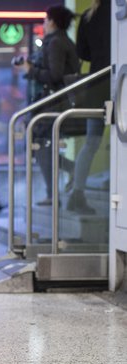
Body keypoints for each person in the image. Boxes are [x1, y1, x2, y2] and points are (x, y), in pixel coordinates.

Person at [19, 5, 78, 206]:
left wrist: (31, 70)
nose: (44, 23)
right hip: (52, 104)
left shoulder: (56, 43)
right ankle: (61, 182)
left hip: (54, 104)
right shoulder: (59, 41)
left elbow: (55, 75)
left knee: (42, 145)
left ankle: (54, 192)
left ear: (52, 21)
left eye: (46, 19)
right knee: (42, 146)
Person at [67, 0, 110, 214]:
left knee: (91, 142)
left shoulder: (88, 15)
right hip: (118, 80)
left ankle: (77, 193)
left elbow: (82, 52)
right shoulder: (119, 11)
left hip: (97, 83)